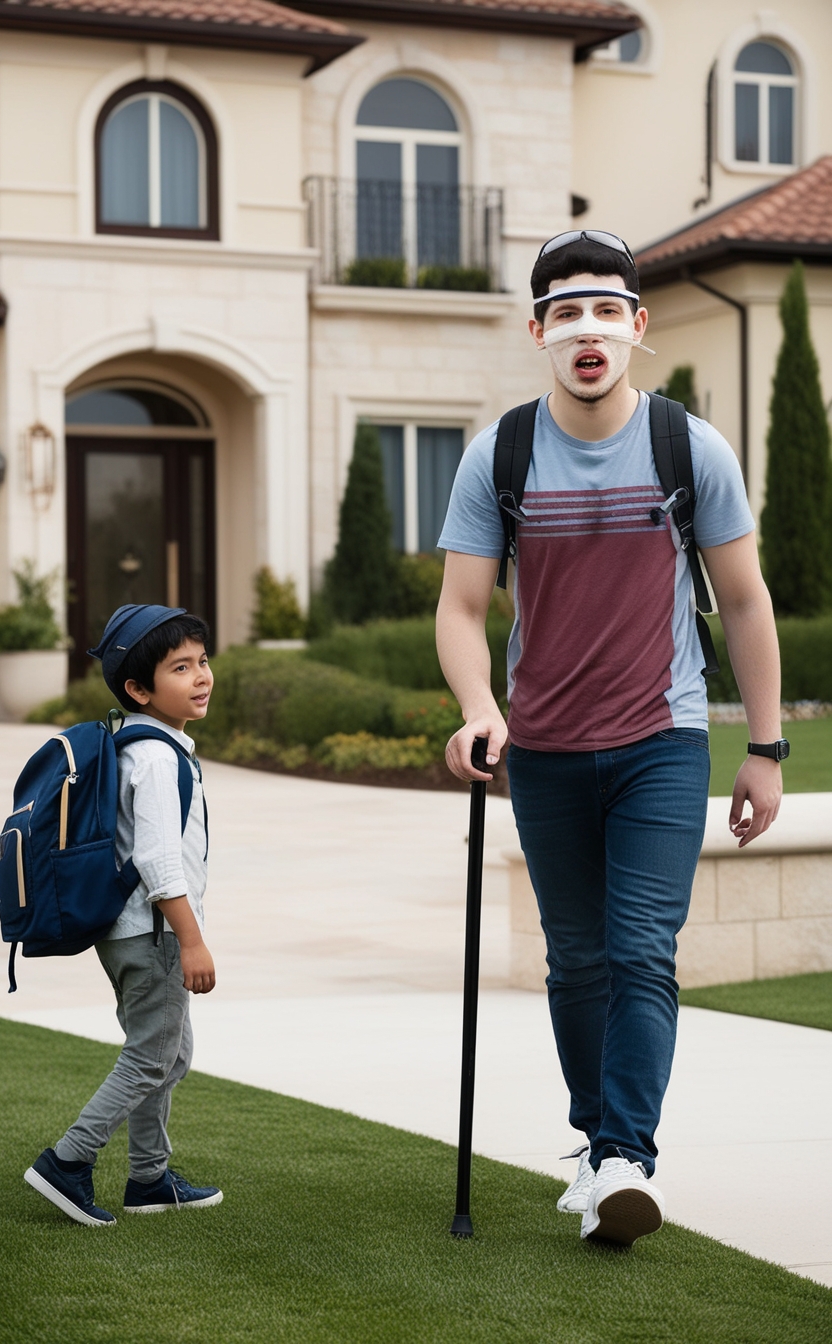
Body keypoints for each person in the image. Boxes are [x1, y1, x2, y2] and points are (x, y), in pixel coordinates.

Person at [436, 230, 784, 1246]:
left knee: (639, 951)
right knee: (576, 961)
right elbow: (461, 607)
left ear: (636, 326)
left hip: (661, 739)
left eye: (604, 309)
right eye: (564, 312)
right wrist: (480, 708)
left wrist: (765, 749)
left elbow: (745, 600)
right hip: (544, 748)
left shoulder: (690, 448)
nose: (585, 329)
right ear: (536, 331)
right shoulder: (499, 455)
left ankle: (627, 1156)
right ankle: (596, 1145)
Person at [24, 604, 223, 1226]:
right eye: (180, 667)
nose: (201, 676)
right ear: (139, 689)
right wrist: (192, 941)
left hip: (131, 931)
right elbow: (159, 861)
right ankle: (68, 1161)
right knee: (152, 1056)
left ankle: (149, 1178)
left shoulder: (137, 745)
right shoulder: (158, 759)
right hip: (154, 932)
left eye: (202, 661)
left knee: (170, 1052)